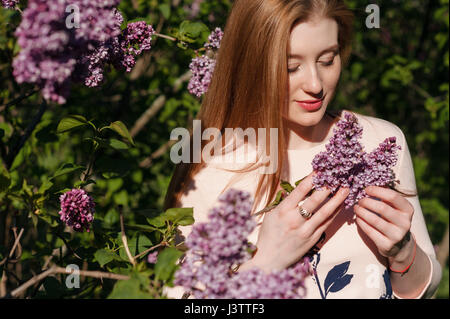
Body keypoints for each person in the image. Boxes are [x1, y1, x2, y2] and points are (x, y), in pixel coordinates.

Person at [163, 0, 441, 299]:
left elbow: (424, 288)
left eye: (327, 60)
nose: (315, 84)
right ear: (251, 64)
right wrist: (265, 264)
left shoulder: (381, 140)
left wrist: (403, 255)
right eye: (291, 67)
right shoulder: (208, 169)